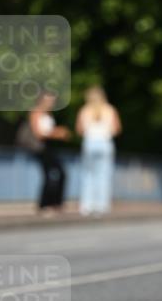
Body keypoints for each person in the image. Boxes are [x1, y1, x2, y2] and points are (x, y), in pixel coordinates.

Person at [76, 86, 122, 216]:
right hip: (105, 143)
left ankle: (86, 206)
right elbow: (117, 129)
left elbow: (79, 130)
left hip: (89, 143)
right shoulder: (110, 109)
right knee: (104, 175)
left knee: (88, 175)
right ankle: (102, 206)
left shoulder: (84, 110)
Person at [29, 91, 71, 213]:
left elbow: (49, 129)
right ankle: (44, 204)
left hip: (50, 147)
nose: (51, 103)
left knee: (60, 173)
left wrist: (58, 132)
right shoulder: (36, 112)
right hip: (41, 148)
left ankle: (56, 203)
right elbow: (39, 133)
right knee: (49, 174)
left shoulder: (49, 114)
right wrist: (57, 134)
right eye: (49, 100)